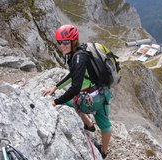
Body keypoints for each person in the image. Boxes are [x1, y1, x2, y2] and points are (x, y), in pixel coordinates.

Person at [42, 24, 112, 159]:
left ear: (73, 41)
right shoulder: (80, 52)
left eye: (66, 42)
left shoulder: (78, 58)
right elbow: (74, 74)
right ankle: (99, 143)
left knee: (70, 101)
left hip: (94, 97)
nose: (62, 45)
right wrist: (56, 86)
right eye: (60, 42)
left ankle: (94, 134)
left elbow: (75, 87)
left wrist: (55, 101)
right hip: (103, 91)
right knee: (103, 121)